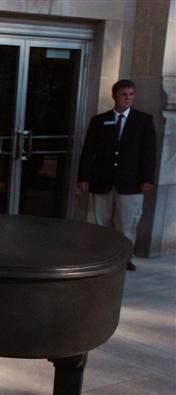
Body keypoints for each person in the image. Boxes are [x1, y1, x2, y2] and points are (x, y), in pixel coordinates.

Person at [78, 79, 156, 271]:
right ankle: (100, 256)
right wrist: (83, 177)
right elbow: (88, 150)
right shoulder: (99, 120)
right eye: (123, 94)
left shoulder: (144, 120)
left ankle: (124, 257)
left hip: (131, 182)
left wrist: (148, 179)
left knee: (127, 222)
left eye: (131, 94)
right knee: (100, 221)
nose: (127, 98)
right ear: (114, 96)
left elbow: (149, 152)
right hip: (102, 179)